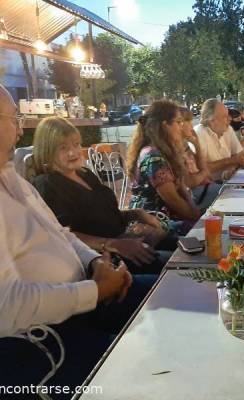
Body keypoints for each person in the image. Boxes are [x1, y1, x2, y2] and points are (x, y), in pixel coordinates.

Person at [0, 84, 155, 395]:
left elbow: (62, 234)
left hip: (86, 296)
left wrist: (96, 261)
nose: (19, 132)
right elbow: (6, 308)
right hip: (44, 340)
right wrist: (94, 291)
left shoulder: (12, 179)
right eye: (15, 119)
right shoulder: (42, 183)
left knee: (169, 296)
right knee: (150, 366)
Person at [31, 117, 173, 275]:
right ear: (47, 151)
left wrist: (136, 214)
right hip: (104, 263)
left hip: (125, 243)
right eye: (63, 148)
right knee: (180, 269)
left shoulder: (84, 174)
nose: (73, 152)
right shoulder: (47, 184)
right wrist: (113, 244)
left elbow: (102, 215)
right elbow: (62, 235)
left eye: (76, 144)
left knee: (185, 248)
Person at [127, 100, 202, 235]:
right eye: (178, 122)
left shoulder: (163, 152)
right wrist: (198, 217)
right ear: (165, 125)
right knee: (206, 230)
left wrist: (196, 214)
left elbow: (182, 191)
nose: (182, 126)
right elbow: (175, 201)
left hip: (166, 220)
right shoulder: (153, 157)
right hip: (151, 224)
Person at [194, 99, 244, 181]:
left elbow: (241, 156)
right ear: (212, 120)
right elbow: (199, 168)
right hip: (208, 185)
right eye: (224, 116)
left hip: (228, 182)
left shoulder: (227, 129)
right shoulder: (199, 133)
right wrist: (229, 161)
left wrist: (231, 167)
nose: (229, 119)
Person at [180, 107, 222, 211]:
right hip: (195, 194)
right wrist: (203, 173)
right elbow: (191, 182)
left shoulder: (185, 145)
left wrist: (197, 145)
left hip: (204, 187)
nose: (191, 126)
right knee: (230, 194)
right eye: (188, 121)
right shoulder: (175, 150)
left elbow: (204, 170)